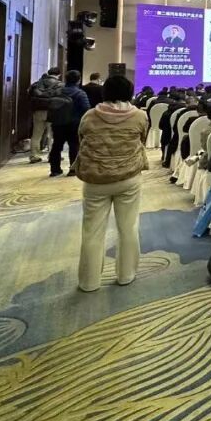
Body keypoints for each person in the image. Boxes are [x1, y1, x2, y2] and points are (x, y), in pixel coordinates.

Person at [74, 75, 149, 292]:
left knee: (92, 231)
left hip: (95, 179)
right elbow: (142, 140)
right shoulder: (140, 116)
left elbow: (82, 141)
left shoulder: (90, 116)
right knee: (129, 227)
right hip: (128, 178)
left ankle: (89, 282)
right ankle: (126, 275)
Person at [49, 70, 91, 177]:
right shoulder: (80, 93)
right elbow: (86, 108)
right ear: (78, 80)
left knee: (56, 146)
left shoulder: (57, 92)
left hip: (58, 123)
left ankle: (55, 169)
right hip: (74, 124)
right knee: (74, 146)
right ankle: (73, 169)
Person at [27, 67, 63, 163]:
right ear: (59, 74)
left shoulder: (37, 84)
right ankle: (52, 155)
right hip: (53, 112)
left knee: (36, 134)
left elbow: (29, 96)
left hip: (38, 111)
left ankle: (34, 156)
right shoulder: (60, 85)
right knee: (52, 134)